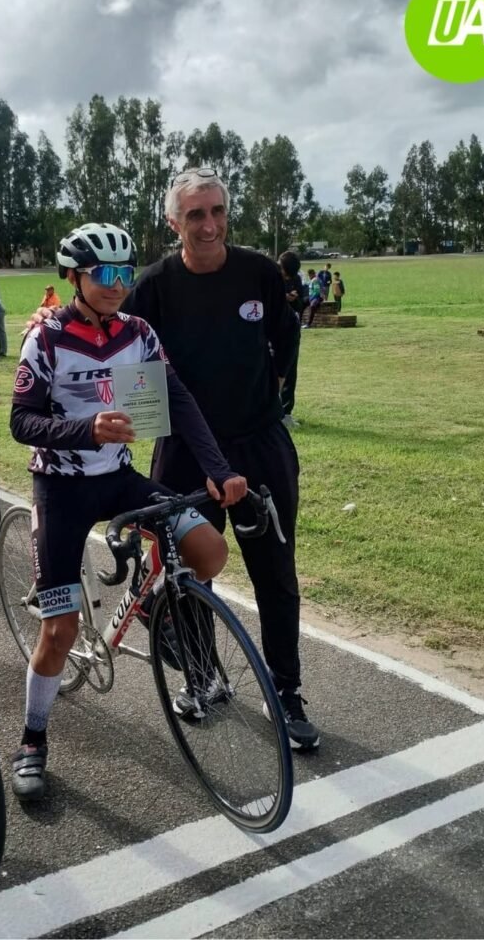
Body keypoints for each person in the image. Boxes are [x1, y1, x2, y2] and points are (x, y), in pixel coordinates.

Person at [9, 222, 247, 800]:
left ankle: (151, 604)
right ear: (74, 278)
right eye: (104, 274)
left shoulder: (137, 333)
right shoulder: (46, 338)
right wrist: (85, 429)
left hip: (118, 480)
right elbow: (21, 421)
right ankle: (32, 739)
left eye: (125, 273)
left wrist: (218, 469)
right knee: (60, 631)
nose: (117, 284)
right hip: (61, 489)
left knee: (209, 551)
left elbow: (177, 399)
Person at [122, 168, 319, 749]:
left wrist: (272, 393)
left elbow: (286, 337)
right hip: (185, 453)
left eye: (217, 211)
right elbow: (120, 348)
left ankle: (286, 693)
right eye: (195, 214)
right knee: (187, 572)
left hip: (259, 446)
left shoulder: (258, 272)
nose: (209, 225)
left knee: (275, 574)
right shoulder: (153, 286)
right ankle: (203, 678)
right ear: (173, 222)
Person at [277, 252, 303, 429]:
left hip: (291, 330)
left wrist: (295, 299)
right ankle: (269, 412)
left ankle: (286, 413)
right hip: (272, 330)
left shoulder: (296, 280)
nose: (287, 278)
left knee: (290, 371)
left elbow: (301, 303)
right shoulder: (271, 278)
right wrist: (283, 297)